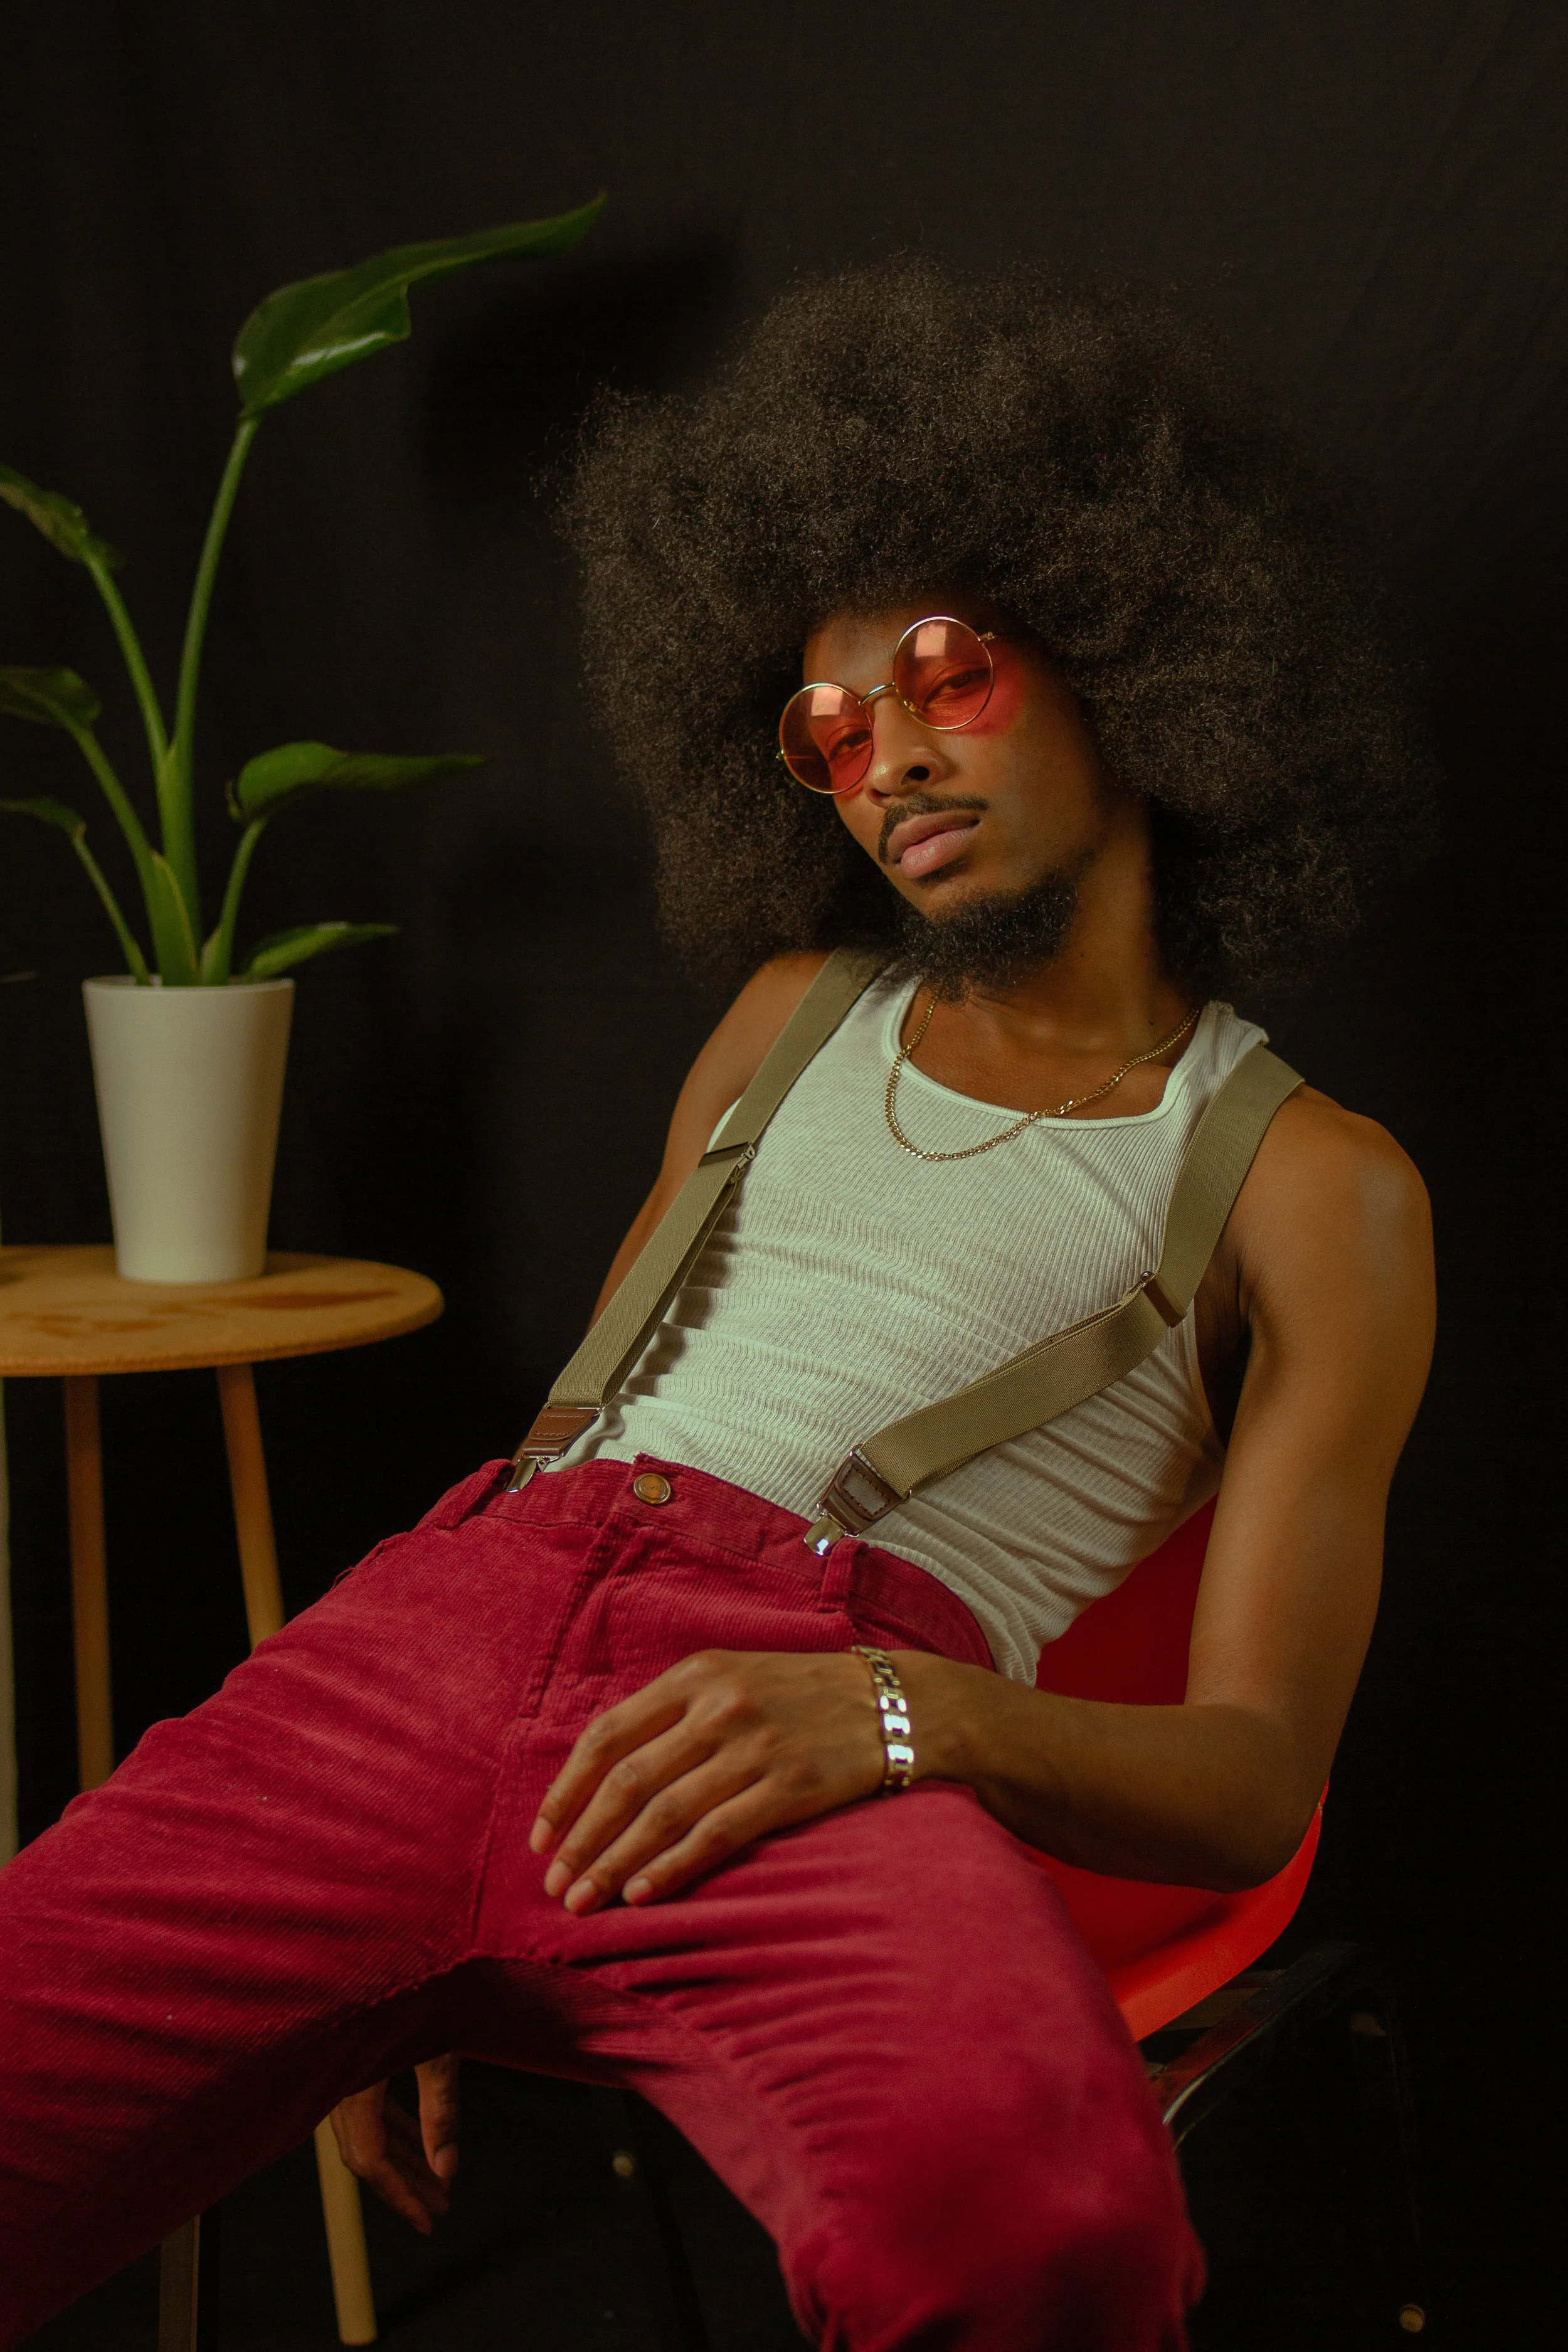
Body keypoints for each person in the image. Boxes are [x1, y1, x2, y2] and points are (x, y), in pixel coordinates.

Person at [0, 261, 1436, 2351]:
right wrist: (386, 1946)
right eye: (830, 726)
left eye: (948, 674)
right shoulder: (782, 1017)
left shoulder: (1317, 1183)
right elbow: (577, 1445)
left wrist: (892, 1715)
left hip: (814, 1702)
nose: (885, 762)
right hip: (435, 1638)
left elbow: (1244, 1774)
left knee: (1042, 2228)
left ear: (1131, 643)